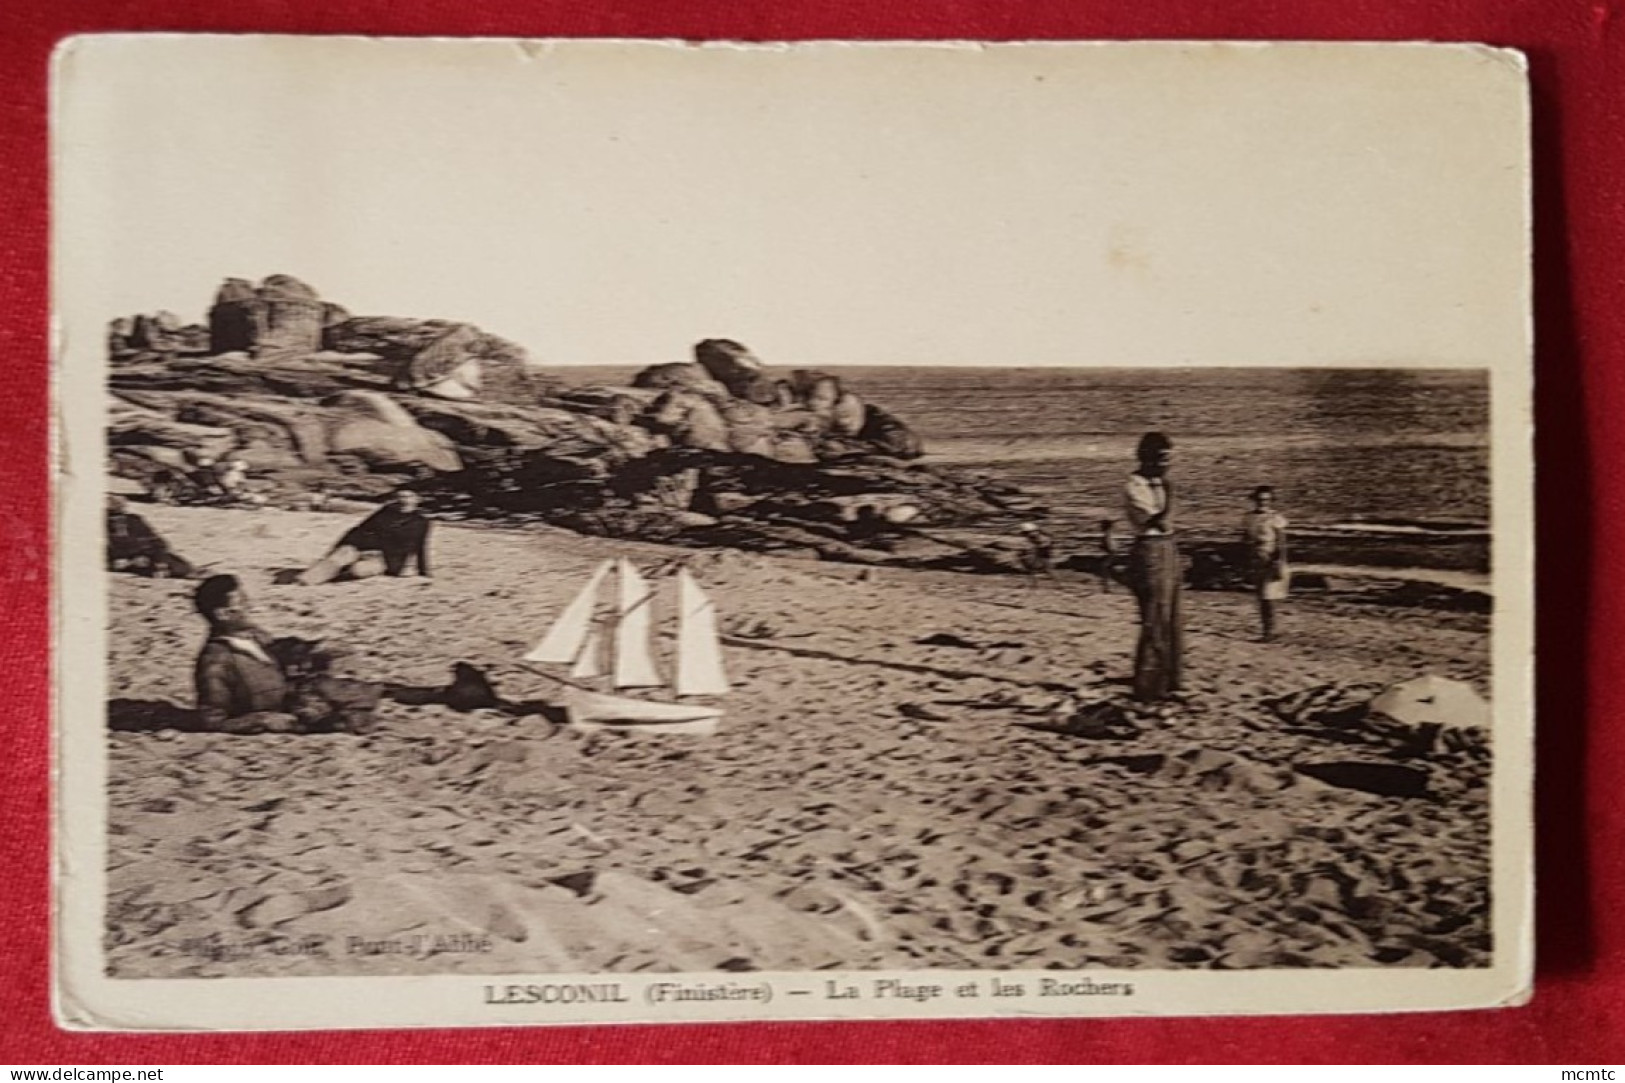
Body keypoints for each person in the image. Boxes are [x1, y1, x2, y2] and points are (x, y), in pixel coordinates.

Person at [192, 574, 380, 734]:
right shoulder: (216, 661)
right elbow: (212, 720)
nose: (250, 606)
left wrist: (313, 647)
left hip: (297, 694)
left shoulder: (250, 634)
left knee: (345, 672)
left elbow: (277, 649)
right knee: (349, 711)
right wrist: (260, 720)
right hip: (287, 712)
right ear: (223, 614)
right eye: (242, 602)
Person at [1124, 432, 1183, 703]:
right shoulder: (1135, 485)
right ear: (1147, 457)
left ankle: (1169, 680)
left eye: (1169, 459)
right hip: (1149, 550)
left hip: (1168, 547)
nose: (1167, 465)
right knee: (1155, 617)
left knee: (1172, 617)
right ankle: (1149, 686)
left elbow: (1168, 526)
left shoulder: (1158, 483)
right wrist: (1170, 494)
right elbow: (1159, 522)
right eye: (1162, 458)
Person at [296, 488, 432, 586]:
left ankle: (337, 572)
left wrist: (424, 571)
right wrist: (336, 550)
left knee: (358, 570)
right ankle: (305, 581)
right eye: (401, 497)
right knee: (340, 555)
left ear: (417, 500)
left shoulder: (421, 522)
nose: (404, 500)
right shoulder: (385, 512)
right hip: (362, 548)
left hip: (385, 559)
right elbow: (358, 530)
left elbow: (421, 546)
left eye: (408, 497)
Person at [1242, 485, 1290, 642]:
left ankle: (1270, 630)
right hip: (1256, 559)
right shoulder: (1248, 517)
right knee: (1261, 597)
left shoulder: (1275, 518)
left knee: (1268, 596)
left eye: (1266, 500)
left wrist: (1278, 561)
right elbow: (1245, 539)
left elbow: (1281, 542)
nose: (1263, 503)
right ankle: (1266, 630)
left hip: (1271, 558)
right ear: (1255, 500)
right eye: (1260, 500)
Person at [106, 495, 194, 578]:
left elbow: (155, 540)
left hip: (144, 555)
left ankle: (185, 571)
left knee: (171, 561)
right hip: (121, 559)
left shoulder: (133, 520)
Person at [1017, 522, 1058, 586]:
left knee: (1049, 570)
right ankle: (1033, 584)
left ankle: (1058, 584)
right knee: (1030, 570)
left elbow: (1047, 544)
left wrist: (1039, 546)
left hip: (1044, 556)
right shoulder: (1029, 538)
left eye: (1032, 532)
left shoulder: (1044, 538)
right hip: (1033, 555)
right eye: (1027, 533)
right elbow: (1025, 547)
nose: (1030, 534)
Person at [1098, 518, 1118, 593]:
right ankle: (1107, 588)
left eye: (1102, 525)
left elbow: (1110, 545)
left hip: (1110, 554)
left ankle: (1107, 588)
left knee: (1105, 570)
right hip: (1111, 554)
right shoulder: (1109, 533)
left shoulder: (1107, 534)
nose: (1100, 527)